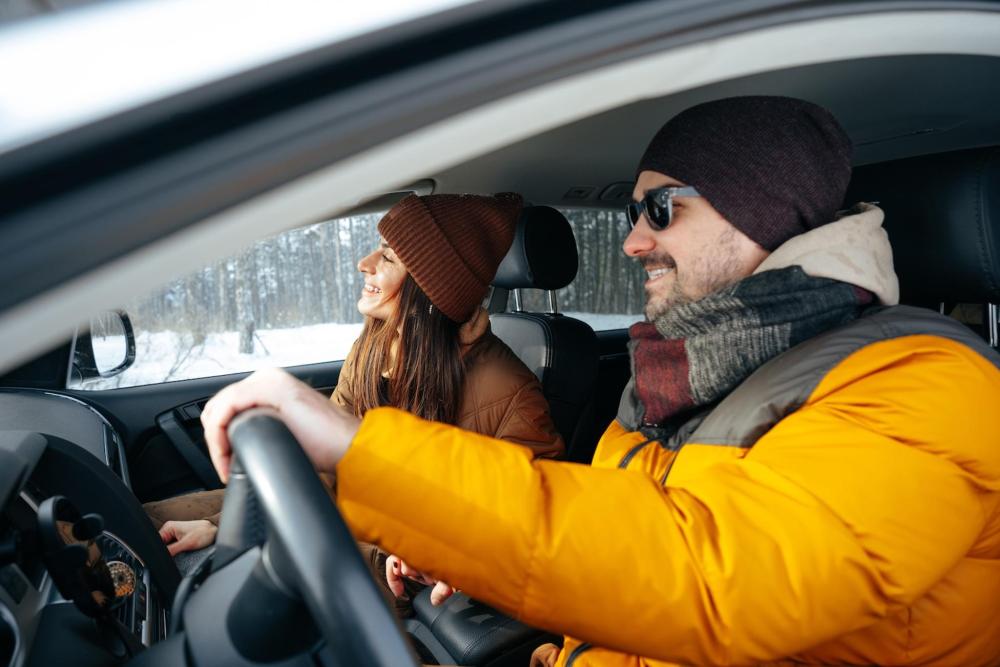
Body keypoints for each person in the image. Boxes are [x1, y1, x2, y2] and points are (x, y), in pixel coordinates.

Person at [199, 97, 1000, 666]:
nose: (632, 244)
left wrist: (358, 449)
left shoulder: (930, 385)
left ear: (761, 209)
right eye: (629, 215)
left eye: (660, 209)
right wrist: (470, 556)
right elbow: (617, 538)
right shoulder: (678, 375)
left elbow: (706, 573)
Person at [147, 192, 564, 612]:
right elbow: (322, 467)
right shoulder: (372, 349)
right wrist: (224, 527)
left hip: (397, 573)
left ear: (430, 288)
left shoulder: (512, 394)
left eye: (388, 257)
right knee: (144, 525)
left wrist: (430, 555)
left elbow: (528, 526)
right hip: (330, 517)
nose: (363, 263)